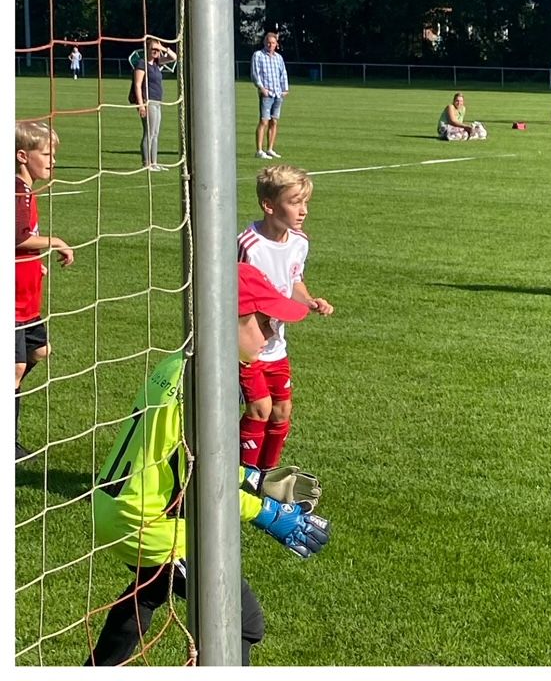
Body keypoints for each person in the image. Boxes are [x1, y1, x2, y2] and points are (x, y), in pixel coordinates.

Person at [88, 263, 330, 666]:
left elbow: (181, 455)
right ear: (225, 319)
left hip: (118, 504)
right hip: (149, 521)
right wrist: (267, 513)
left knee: (150, 590)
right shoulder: (208, 385)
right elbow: (201, 480)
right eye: (263, 323)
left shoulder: (180, 363)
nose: (272, 334)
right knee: (243, 622)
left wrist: (253, 479)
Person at [237, 166, 333, 478]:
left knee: (281, 411)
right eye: (294, 202)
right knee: (260, 409)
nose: (303, 210)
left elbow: (294, 281)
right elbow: (236, 292)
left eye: (305, 202)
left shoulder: (299, 242)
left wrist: (309, 301)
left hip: (277, 345)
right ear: (269, 205)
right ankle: (243, 476)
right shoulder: (248, 246)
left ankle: (268, 475)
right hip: (249, 346)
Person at [16, 120, 74, 461]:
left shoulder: (26, 191)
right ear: (23, 156)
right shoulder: (16, 191)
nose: (53, 160)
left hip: (26, 298)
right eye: (47, 154)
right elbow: (18, 237)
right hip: (12, 302)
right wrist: (56, 241)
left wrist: (33, 263)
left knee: (39, 351)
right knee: (15, 368)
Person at [129, 37, 178, 171]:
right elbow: (137, 85)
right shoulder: (142, 64)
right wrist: (141, 105)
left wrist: (162, 48)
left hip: (157, 101)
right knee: (149, 133)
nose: (155, 52)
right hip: (148, 101)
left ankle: (154, 162)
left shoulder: (156, 63)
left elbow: (174, 57)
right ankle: (146, 164)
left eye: (157, 49)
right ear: (147, 49)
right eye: (153, 49)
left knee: (155, 133)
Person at [251, 30, 289, 160]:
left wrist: (285, 89)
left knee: (274, 121)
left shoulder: (279, 58)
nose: (270, 45)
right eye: (268, 42)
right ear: (264, 42)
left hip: (278, 93)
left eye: (272, 43)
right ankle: (259, 150)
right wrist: (261, 88)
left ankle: (270, 149)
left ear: (276, 44)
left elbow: (283, 74)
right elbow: (255, 73)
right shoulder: (258, 55)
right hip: (266, 93)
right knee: (264, 121)